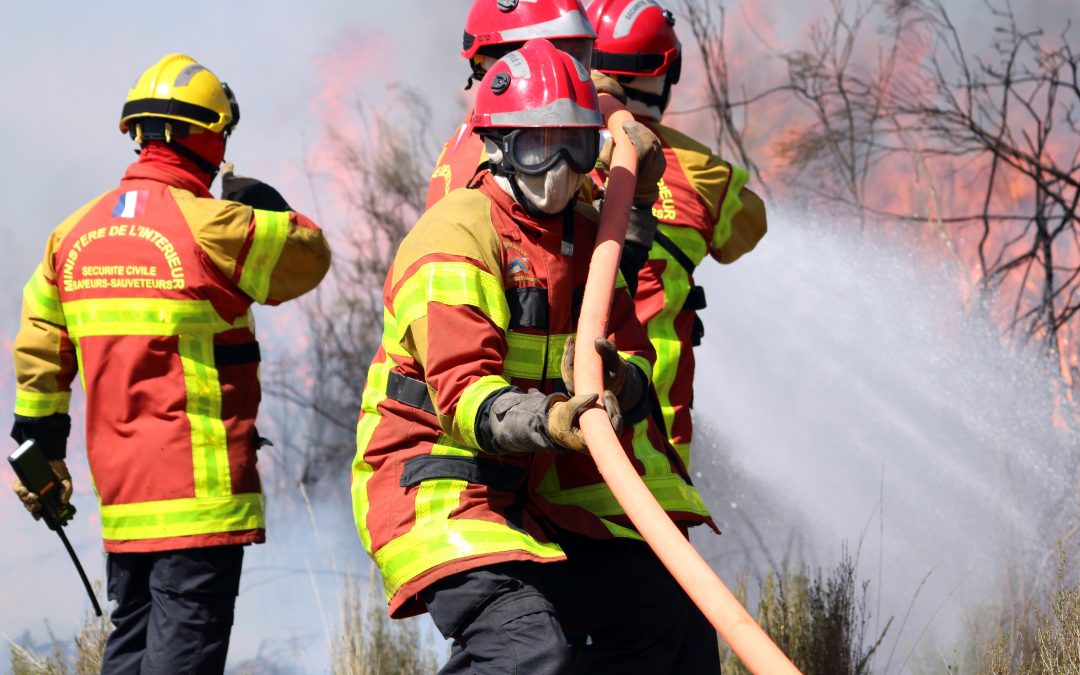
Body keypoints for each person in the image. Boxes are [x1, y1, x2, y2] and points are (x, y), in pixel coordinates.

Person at [352, 38, 715, 674]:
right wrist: (553, 420)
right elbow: (465, 400)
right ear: (496, 147)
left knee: (668, 616)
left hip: (530, 494)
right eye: (534, 145)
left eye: (572, 147)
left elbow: (634, 365)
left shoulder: (586, 239)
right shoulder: (457, 232)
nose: (556, 168)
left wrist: (618, 381)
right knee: (527, 651)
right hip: (437, 483)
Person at [10, 53, 331, 674]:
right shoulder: (213, 225)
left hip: (125, 502)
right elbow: (308, 256)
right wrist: (263, 205)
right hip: (202, 504)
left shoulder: (70, 235)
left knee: (129, 648)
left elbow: (39, 353)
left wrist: (42, 446)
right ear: (207, 136)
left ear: (138, 133)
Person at [588, 0, 769, 469]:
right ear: (666, 75)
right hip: (660, 430)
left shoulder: (559, 152)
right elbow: (750, 228)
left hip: (570, 423)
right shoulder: (705, 172)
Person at [425, 0, 599, 209]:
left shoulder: (481, 133)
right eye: (557, 55)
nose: (566, 72)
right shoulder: (505, 156)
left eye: (578, 55)